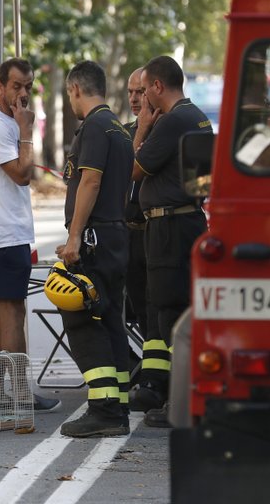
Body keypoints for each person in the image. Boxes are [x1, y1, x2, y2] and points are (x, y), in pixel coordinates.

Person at [0, 58, 60, 413]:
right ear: (0, 87)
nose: (23, 93)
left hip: (7, 234)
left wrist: (21, 127)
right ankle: (20, 393)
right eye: (16, 86)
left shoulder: (6, 123)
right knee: (14, 313)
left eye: (28, 86)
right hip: (0, 236)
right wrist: (25, 129)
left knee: (8, 313)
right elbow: (22, 175)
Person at [130, 55, 212, 428]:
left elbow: (132, 169)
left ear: (158, 86)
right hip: (190, 221)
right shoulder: (197, 117)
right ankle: (186, 395)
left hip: (169, 229)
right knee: (180, 308)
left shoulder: (171, 121)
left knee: (169, 312)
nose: (143, 95)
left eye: (145, 87)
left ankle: (181, 402)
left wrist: (142, 128)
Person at [55, 60, 134, 438]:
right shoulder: (118, 127)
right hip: (114, 233)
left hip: (95, 238)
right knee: (111, 318)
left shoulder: (95, 127)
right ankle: (116, 403)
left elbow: (91, 182)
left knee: (82, 316)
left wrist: (75, 237)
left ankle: (103, 409)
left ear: (75, 89)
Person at [123, 67, 148, 338]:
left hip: (154, 231)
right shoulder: (126, 132)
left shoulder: (165, 128)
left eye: (139, 92)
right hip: (128, 232)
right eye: (130, 92)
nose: (134, 99)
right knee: (137, 308)